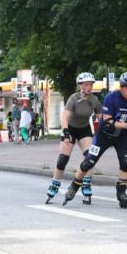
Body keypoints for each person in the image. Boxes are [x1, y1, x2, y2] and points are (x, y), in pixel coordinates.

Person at [64, 72, 127, 208]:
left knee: (126, 162)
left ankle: (121, 192)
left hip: (122, 136)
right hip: (104, 136)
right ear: (121, 87)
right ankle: (75, 185)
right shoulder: (111, 98)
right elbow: (107, 122)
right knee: (89, 162)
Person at [45, 72, 103, 205]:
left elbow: (102, 119)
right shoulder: (73, 98)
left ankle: (86, 183)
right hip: (70, 128)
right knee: (62, 160)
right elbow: (65, 116)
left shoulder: (94, 100)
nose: (89, 87)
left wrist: (106, 132)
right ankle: (55, 183)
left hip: (84, 129)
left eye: (91, 84)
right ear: (80, 86)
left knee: (90, 158)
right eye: (86, 84)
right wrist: (65, 131)